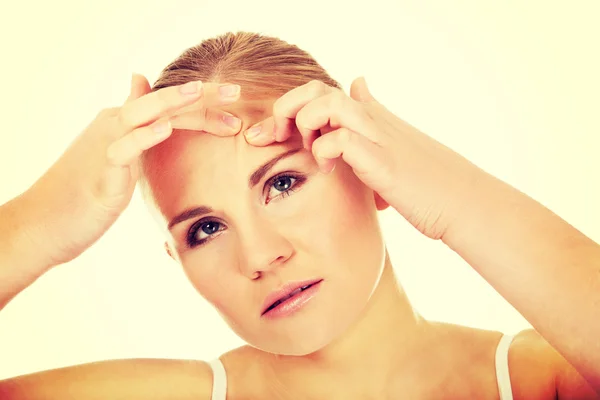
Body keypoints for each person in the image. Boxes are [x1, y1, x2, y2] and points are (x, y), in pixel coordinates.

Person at [0, 31, 598, 399]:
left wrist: (457, 200)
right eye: (204, 229)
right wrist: (35, 225)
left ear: (371, 169)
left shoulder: (540, 382)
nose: (261, 256)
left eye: (283, 182)